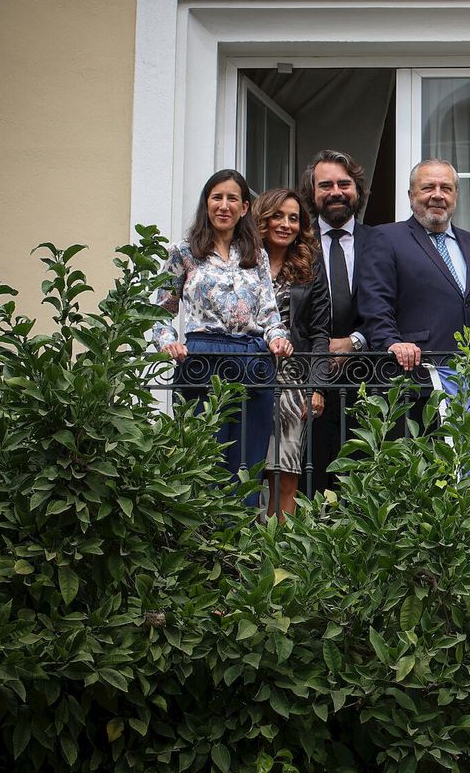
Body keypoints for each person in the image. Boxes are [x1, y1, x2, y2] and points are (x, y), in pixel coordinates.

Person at [149, 170, 293, 486]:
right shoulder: (182, 252)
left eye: (232, 198)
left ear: (244, 208)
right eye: (217, 197)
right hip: (202, 360)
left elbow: (270, 315)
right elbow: (158, 314)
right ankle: (202, 535)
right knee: (201, 459)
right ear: (207, 204)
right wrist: (168, 342)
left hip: (253, 363)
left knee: (247, 465)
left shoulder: (257, 255)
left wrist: (279, 339)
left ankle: (241, 533)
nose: (224, 206)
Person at [357, 158, 470, 371]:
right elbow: (376, 303)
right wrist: (391, 343)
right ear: (411, 196)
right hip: (415, 375)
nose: (437, 195)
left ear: (455, 196)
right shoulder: (385, 238)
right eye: (428, 187)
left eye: (446, 188)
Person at [253, 188, 330, 520]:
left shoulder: (309, 266)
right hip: (249, 373)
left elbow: (318, 333)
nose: (285, 224)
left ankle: (279, 553)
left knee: (285, 470)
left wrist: (317, 386)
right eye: (278, 216)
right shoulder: (241, 260)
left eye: (294, 218)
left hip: (291, 380)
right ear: (262, 219)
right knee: (246, 466)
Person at [304, 149, 372, 490]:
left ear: (357, 189)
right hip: (303, 380)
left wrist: (355, 341)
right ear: (312, 193)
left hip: (367, 379)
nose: (335, 192)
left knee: (359, 487)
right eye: (325, 184)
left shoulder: (381, 242)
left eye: (344, 184)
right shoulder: (295, 242)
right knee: (305, 481)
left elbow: (396, 306)